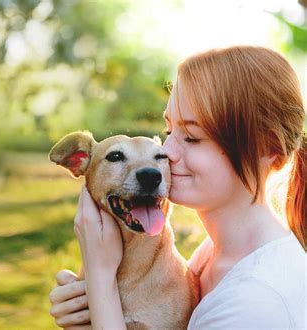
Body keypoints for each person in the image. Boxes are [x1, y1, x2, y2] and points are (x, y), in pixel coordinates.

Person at [48, 46, 306, 329]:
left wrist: (100, 281)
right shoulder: (214, 252)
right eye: (169, 132)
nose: (165, 153)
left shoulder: (256, 303)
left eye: (192, 137)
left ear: (266, 148)